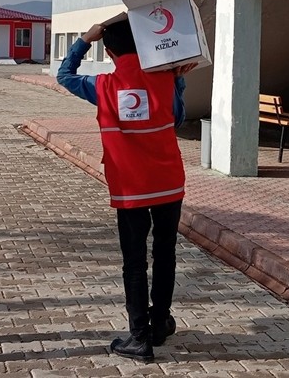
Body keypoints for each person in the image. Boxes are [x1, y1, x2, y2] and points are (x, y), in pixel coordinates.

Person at [57, 19, 194, 362]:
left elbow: (64, 76)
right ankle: (160, 323)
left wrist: (83, 41)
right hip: (168, 183)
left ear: (109, 50)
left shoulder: (102, 85)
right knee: (165, 254)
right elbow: (177, 119)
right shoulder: (166, 79)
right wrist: (177, 82)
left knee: (134, 262)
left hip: (131, 188)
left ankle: (139, 337)